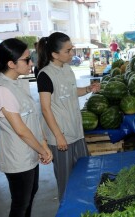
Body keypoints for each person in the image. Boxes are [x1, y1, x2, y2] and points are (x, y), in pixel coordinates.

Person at [0, 38, 53, 217]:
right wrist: (42, 149)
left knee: (29, 197)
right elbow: (21, 130)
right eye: (26, 59)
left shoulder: (17, 83)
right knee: (20, 205)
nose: (31, 62)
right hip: (18, 158)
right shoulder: (3, 90)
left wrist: (43, 145)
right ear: (11, 63)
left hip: (30, 151)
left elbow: (32, 119)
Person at [36, 32, 100, 201]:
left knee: (83, 175)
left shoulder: (67, 69)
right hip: (61, 137)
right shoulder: (45, 75)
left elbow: (70, 93)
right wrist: (58, 136)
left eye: (72, 49)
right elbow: (45, 108)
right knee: (66, 182)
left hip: (76, 133)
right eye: (68, 51)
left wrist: (87, 89)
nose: (72, 54)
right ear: (54, 54)